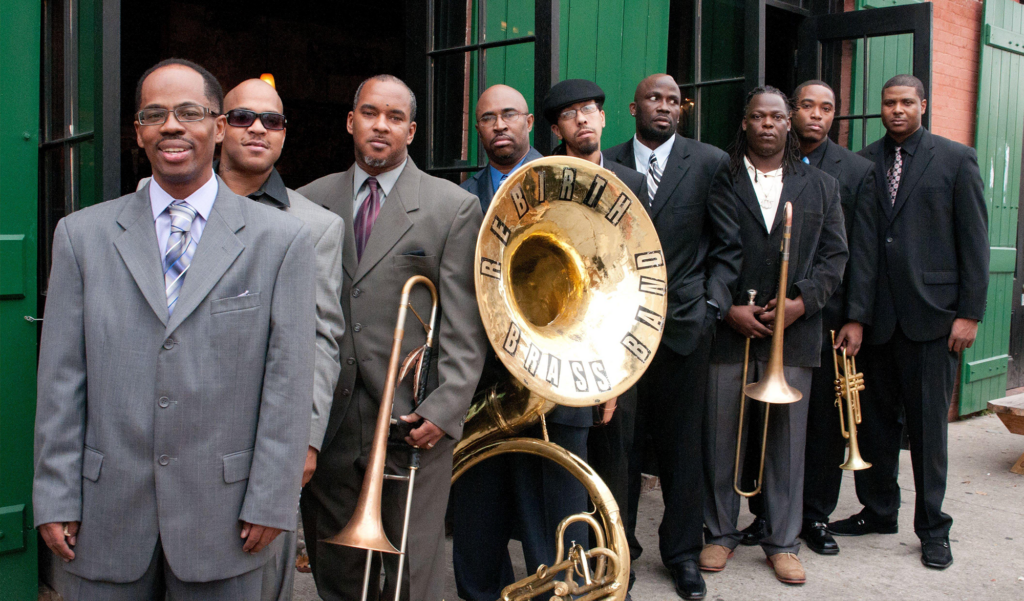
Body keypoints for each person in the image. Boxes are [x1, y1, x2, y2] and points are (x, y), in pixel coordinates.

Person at [33, 58, 315, 600]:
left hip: (229, 519)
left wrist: (271, 499)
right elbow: (61, 381)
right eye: (155, 114)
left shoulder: (281, 243)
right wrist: (56, 495)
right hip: (103, 517)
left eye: (189, 111)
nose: (172, 125)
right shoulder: (80, 238)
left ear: (217, 126)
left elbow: (288, 385)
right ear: (138, 131)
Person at [297, 74, 488, 601]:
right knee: (336, 565)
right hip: (331, 415)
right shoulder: (306, 201)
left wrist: (444, 408)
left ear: (412, 130)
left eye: (395, 117)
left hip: (411, 416)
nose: (381, 125)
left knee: (412, 565)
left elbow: (464, 320)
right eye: (370, 113)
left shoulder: (451, 206)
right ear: (351, 121)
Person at [829, 74, 988, 571]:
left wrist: (969, 313)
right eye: (888, 103)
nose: (896, 110)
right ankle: (878, 511)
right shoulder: (865, 162)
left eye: (905, 102)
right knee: (873, 426)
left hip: (934, 320)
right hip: (877, 322)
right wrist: (855, 317)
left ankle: (934, 528)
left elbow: (975, 242)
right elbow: (861, 247)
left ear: (923, 105)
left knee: (926, 432)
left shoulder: (955, 158)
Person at [701, 86, 847, 586]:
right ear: (745, 123)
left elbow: (835, 258)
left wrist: (800, 302)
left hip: (795, 332)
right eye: (758, 116)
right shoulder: (717, 180)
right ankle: (720, 533)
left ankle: (783, 542)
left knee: (787, 444)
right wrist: (727, 310)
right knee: (721, 437)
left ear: (789, 124)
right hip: (731, 330)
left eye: (777, 117)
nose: (768, 124)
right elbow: (702, 252)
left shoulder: (823, 186)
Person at [605, 74, 742, 600]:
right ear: (632, 106)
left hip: (686, 326)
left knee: (684, 447)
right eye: (653, 99)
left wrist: (712, 306)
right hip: (616, 332)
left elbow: (729, 246)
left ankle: (683, 554)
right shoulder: (609, 162)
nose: (664, 107)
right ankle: (620, 552)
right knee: (620, 448)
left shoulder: (708, 162)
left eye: (672, 100)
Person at [452, 84, 589, 601]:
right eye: (487, 118)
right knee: (478, 513)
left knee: (558, 516)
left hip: (560, 379)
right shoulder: (462, 196)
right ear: (480, 129)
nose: (499, 125)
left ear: (530, 122)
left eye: (509, 115)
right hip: (484, 383)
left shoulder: (570, 183)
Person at [214, 78, 346, 601]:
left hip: (266, 436)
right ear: (220, 127)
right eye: (244, 117)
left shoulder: (316, 226)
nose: (258, 129)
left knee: (261, 579)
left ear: (284, 136)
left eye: (272, 121)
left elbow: (321, 338)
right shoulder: (159, 202)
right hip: (174, 432)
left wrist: (307, 439)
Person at [543, 80, 646, 581]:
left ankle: (614, 575)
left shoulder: (632, 181)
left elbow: (639, 275)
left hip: (613, 343)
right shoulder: (540, 177)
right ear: (557, 128)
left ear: (605, 119)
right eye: (569, 114)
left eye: (589, 111)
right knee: (565, 470)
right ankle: (570, 571)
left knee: (613, 469)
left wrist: (620, 373)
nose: (582, 119)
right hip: (557, 338)